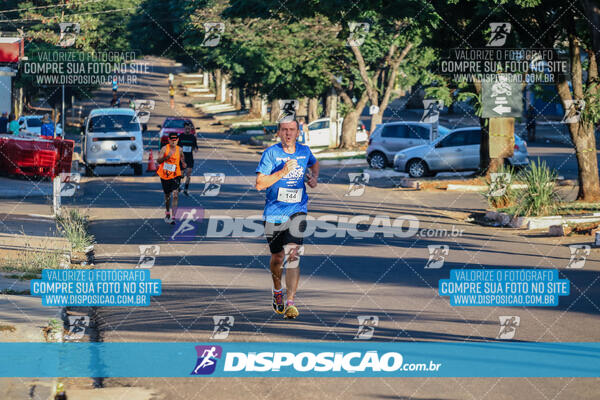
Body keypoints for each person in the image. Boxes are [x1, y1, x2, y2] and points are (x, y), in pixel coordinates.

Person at [255, 118, 319, 319]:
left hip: (297, 210)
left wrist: (313, 178)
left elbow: (315, 164)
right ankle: (277, 291)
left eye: (292, 130)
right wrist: (282, 172)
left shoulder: (304, 151)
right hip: (274, 213)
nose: (288, 133)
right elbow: (259, 184)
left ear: (298, 132)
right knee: (277, 258)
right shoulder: (271, 154)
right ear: (278, 133)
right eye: (284, 130)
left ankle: (291, 302)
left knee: (293, 254)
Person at [157, 132, 186, 224]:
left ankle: (173, 216)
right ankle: (167, 212)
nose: (174, 142)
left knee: (175, 194)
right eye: (172, 140)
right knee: (167, 195)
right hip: (165, 175)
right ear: (169, 140)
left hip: (176, 175)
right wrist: (166, 157)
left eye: (175, 140)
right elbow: (158, 161)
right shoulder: (164, 149)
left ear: (177, 140)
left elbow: (182, 160)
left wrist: (183, 168)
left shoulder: (180, 149)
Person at [178, 122, 198, 196]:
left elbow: (195, 147)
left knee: (188, 173)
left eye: (189, 129)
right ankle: (179, 186)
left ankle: (186, 189)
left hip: (189, 157)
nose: (187, 130)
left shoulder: (192, 137)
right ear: (184, 129)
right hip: (182, 158)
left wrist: (195, 149)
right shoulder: (180, 137)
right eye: (186, 128)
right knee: (181, 174)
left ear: (190, 129)